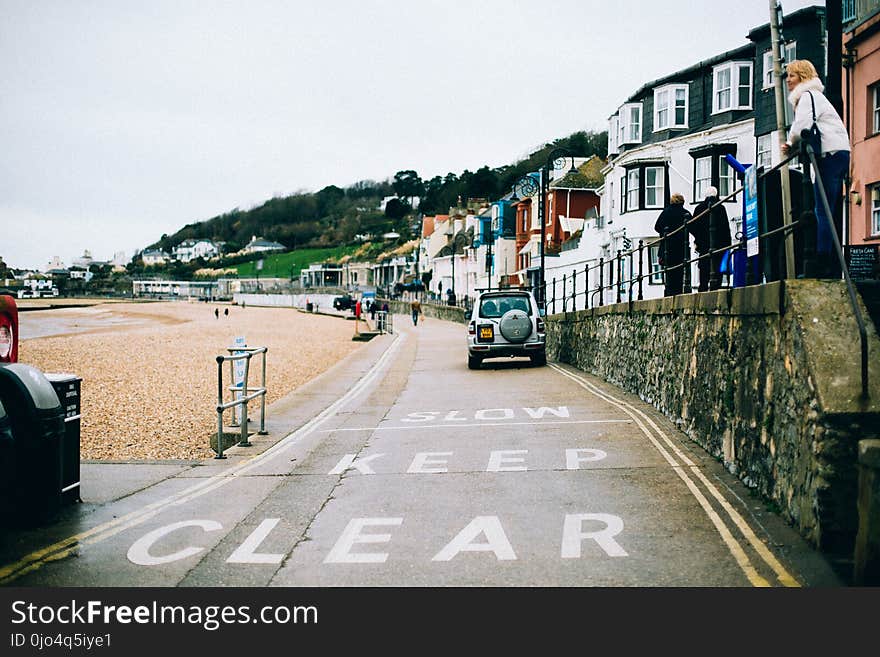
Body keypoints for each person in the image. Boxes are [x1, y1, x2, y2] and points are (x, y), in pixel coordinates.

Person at [781, 59, 851, 278]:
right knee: (827, 207)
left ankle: (821, 263)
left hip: (829, 154)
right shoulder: (817, 97)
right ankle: (827, 261)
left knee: (822, 209)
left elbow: (802, 125)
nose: (788, 81)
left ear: (802, 77)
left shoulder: (808, 96)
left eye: (791, 76)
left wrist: (790, 144)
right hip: (838, 152)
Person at [690, 186, 732, 291]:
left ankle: (703, 288)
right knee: (717, 268)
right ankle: (715, 288)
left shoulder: (699, 208)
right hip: (719, 244)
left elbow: (693, 227)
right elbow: (725, 228)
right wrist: (728, 245)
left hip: (703, 244)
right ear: (716, 195)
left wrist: (698, 238)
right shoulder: (720, 207)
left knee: (704, 268)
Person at [654, 193, 692, 296]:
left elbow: (657, 227)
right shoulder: (686, 213)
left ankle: (669, 292)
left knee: (669, 271)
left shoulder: (665, 213)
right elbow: (693, 228)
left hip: (668, 247)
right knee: (679, 271)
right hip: (681, 247)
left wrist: (664, 233)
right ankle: (678, 292)